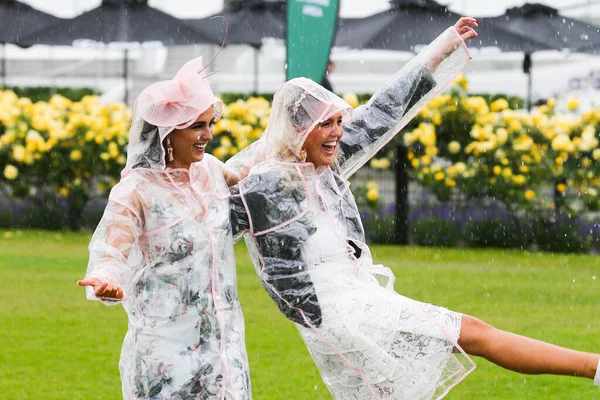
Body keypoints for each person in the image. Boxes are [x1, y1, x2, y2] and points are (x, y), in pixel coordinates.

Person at [226, 17, 600, 399]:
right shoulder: (265, 182)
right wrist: (316, 319)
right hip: (340, 315)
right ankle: (594, 366)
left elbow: (384, 110)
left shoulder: (329, 163)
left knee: (412, 376)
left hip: (362, 296)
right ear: (297, 129)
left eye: (339, 121)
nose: (338, 132)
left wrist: (440, 49)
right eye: (327, 124)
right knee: (473, 332)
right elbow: (232, 239)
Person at [77, 56, 251, 400]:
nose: (208, 135)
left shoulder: (213, 172)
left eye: (209, 123)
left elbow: (253, 179)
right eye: (197, 127)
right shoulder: (136, 190)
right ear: (168, 132)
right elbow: (112, 251)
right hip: (165, 352)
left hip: (222, 346)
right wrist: (107, 278)